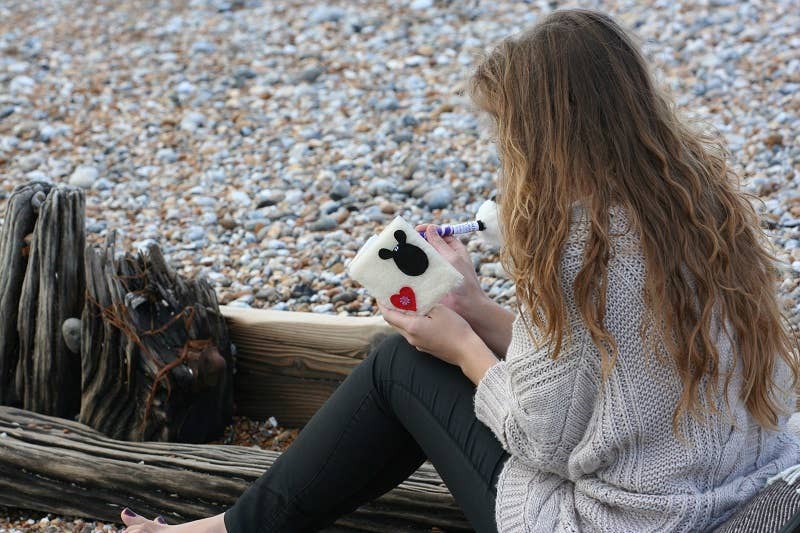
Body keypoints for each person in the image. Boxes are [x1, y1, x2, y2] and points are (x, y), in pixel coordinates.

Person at [120, 7, 800, 533]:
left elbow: (541, 436)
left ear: (546, 135)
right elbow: (604, 374)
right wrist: (472, 306)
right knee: (421, 357)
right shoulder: (700, 204)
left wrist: (462, 348)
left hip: (634, 521)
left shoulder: (580, 246)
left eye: (509, 133)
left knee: (398, 366)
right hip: (738, 490)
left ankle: (230, 530)